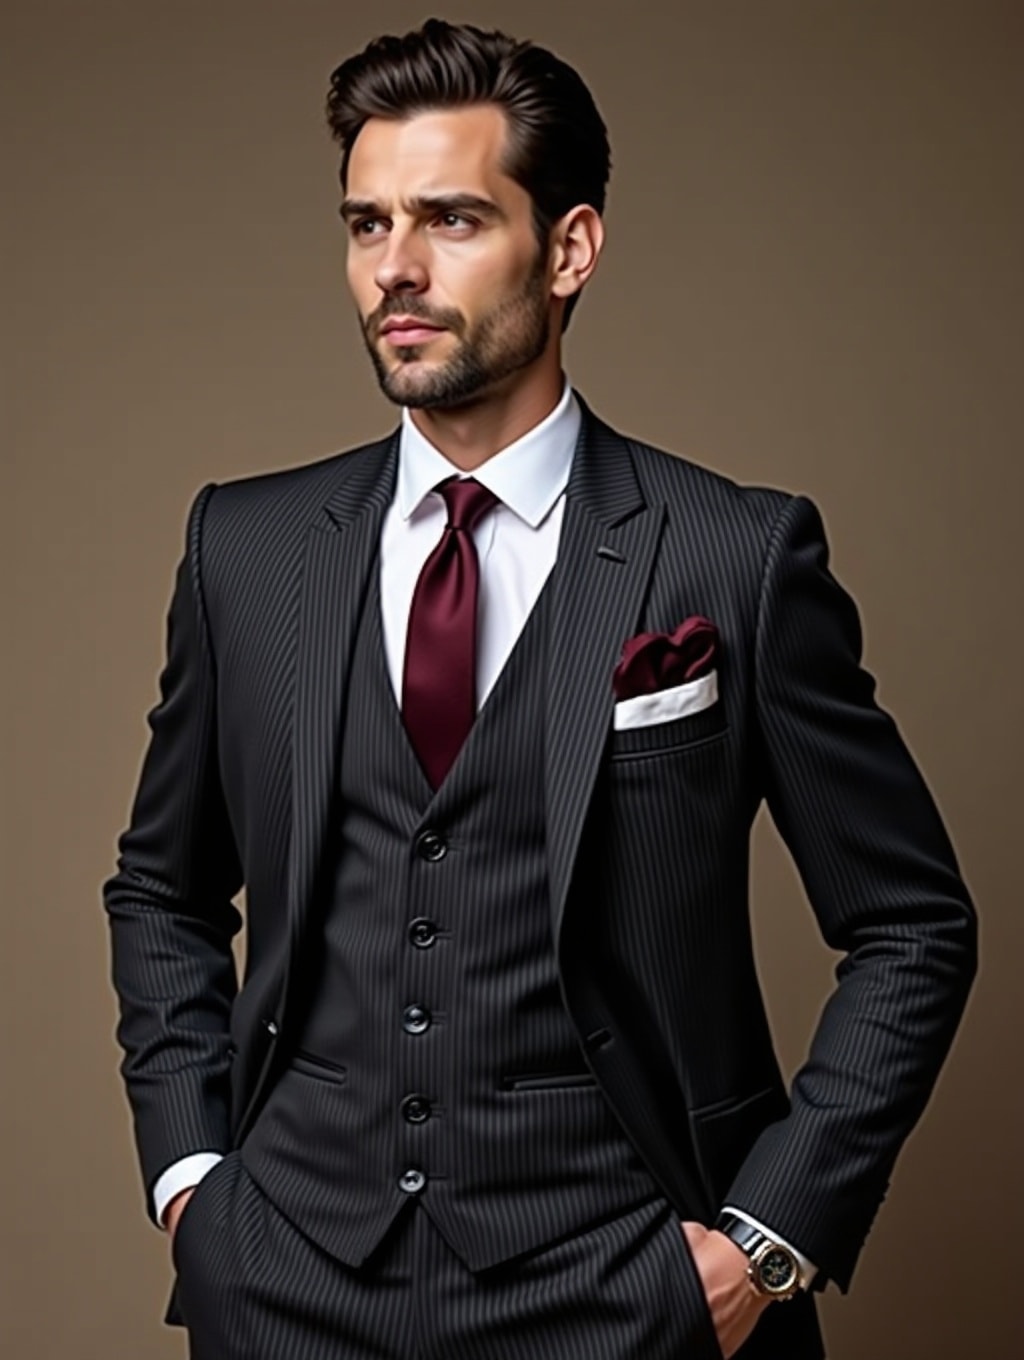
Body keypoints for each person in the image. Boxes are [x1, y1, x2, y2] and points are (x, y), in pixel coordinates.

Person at [104, 19, 976, 1360]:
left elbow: (913, 921)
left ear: (568, 248)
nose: (395, 268)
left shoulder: (730, 554)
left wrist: (764, 1245)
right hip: (289, 1284)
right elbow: (164, 887)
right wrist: (191, 1184)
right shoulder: (248, 547)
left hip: (628, 1291)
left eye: (450, 219)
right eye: (367, 222)